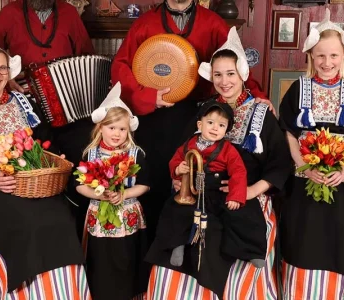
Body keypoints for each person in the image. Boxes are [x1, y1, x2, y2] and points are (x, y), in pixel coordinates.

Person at [145, 26, 291, 300]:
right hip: (203, 194)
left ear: (243, 74)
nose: (225, 81)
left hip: (245, 195)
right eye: (218, 75)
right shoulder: (205, 110)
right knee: (177, 225)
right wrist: (182, 176)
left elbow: (280, 164)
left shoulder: (262, 112)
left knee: (238, 227)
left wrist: (250, 191)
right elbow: (185, 151)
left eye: (231, 73)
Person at [111, 0, 269, 243]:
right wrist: (148, 96)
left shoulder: (213, 23)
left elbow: (235, 66)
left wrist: (258, 97)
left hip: (200, 118)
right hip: (155, 120)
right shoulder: (144, 24)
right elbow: (120, 66)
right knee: (156, 184)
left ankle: (188, 244)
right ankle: (155, 252)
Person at [0, 29, 91, 299]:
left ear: (9, 72)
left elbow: (45, 140)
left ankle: (62, 292)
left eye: (2, 69)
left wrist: (55, 160)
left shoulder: (24, 103)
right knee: (28, 222)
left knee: (60, 217)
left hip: (37, 182)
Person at [0, 0, 95, 241]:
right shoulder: (9, 13)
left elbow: (87, 56)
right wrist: (7, 80)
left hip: (70, 109)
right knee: (33, 169)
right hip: (25, 109)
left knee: (79, 165)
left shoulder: (68, 13)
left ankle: (78, 238)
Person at [279, 9, 344, 299]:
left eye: (334, 55)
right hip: (304, 187)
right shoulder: (299, 88)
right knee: (302, 244)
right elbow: (287, 132)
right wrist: (303, 167)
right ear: (311, 56)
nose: (327, 63)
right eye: (320, 56)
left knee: (339, 245)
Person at [166, 100, 266, 270]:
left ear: (226, 129)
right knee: (176, 211)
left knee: (241, 215)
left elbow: (239, 172)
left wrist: (235, 196)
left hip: (217, 189)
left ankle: (252, 251)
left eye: (221, 125)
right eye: (210, 123)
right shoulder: (189, 144)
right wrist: (178, 169)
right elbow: (175, 161)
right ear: (200, 124)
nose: (214, 128)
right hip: (194, 188)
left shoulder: (228, 149)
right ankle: (178, 245)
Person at [75, 82, 150, 300]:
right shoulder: (90, 155)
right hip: (99, 216)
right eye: (111, 128)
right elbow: (79, 185)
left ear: (129, 130)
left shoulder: (136, 154)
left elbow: (145, 184)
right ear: (100, 128)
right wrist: (99, 194)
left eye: (122, 129)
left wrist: (124, 194)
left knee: (125, 258)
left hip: (128, 216)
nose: (117, 134)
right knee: (100, 259)